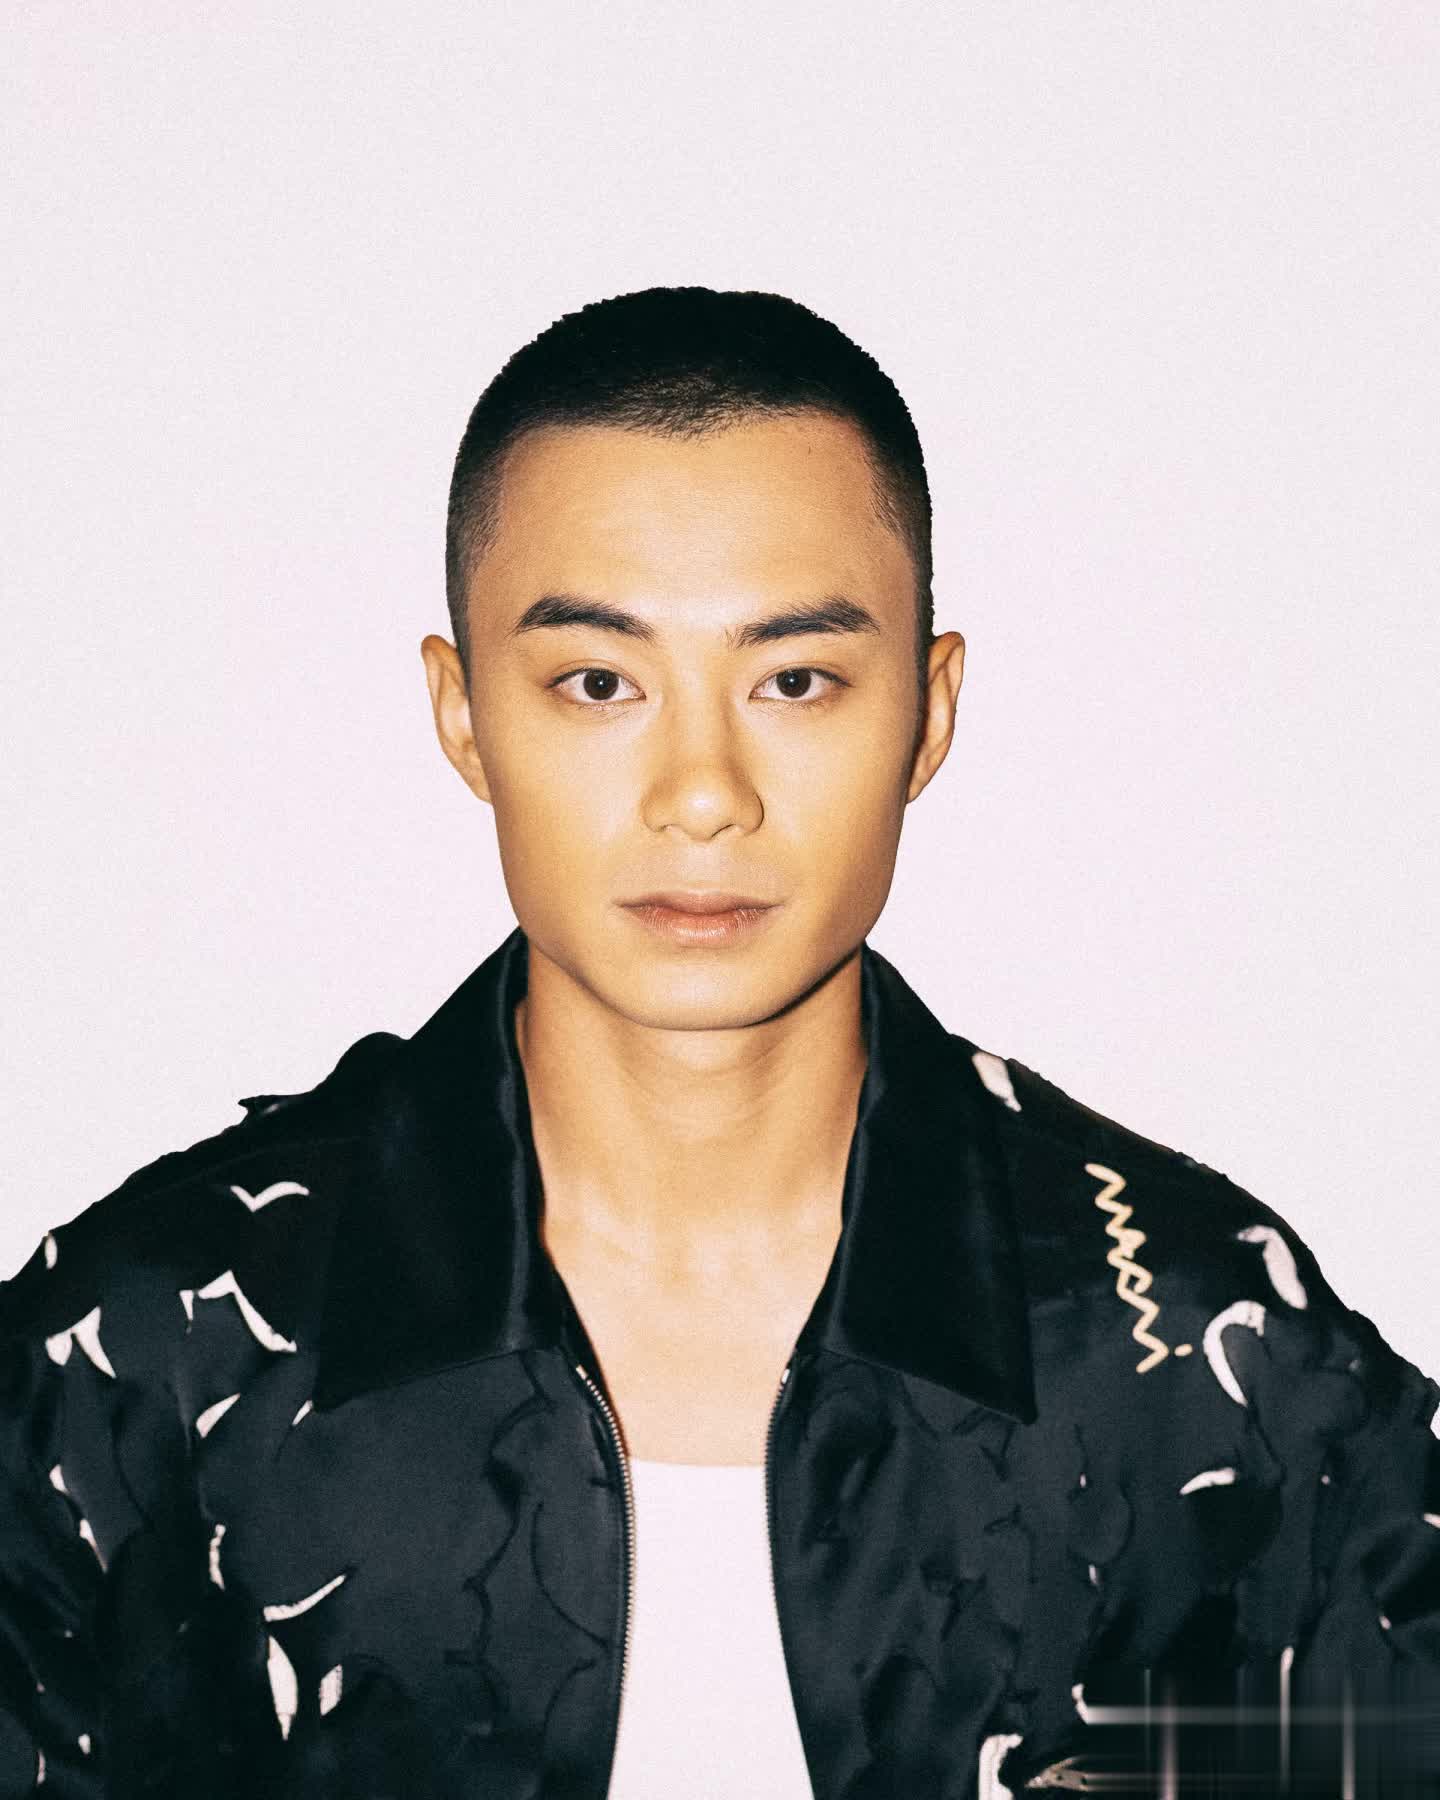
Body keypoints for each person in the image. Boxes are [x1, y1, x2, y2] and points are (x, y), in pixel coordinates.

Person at [2, 287, 1436, 1799]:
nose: (703, 791)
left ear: (927, 713)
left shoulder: (1194, 1346)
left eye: (795, 681)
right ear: (465, 714)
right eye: (599, 683)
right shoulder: (148, 1348)